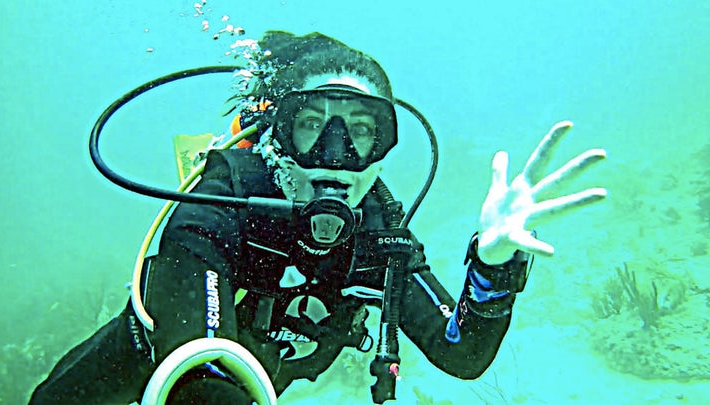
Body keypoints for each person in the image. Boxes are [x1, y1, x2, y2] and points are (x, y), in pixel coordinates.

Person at [30, 31, 606, 404]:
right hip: (150, 357)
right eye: (312, 125)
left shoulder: (380, 237)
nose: (335, 159)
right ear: (279, 134)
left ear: (382, 145)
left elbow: (462, 352)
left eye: (359, 132)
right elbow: (198, 375)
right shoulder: (223, 199)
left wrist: (494, 263)